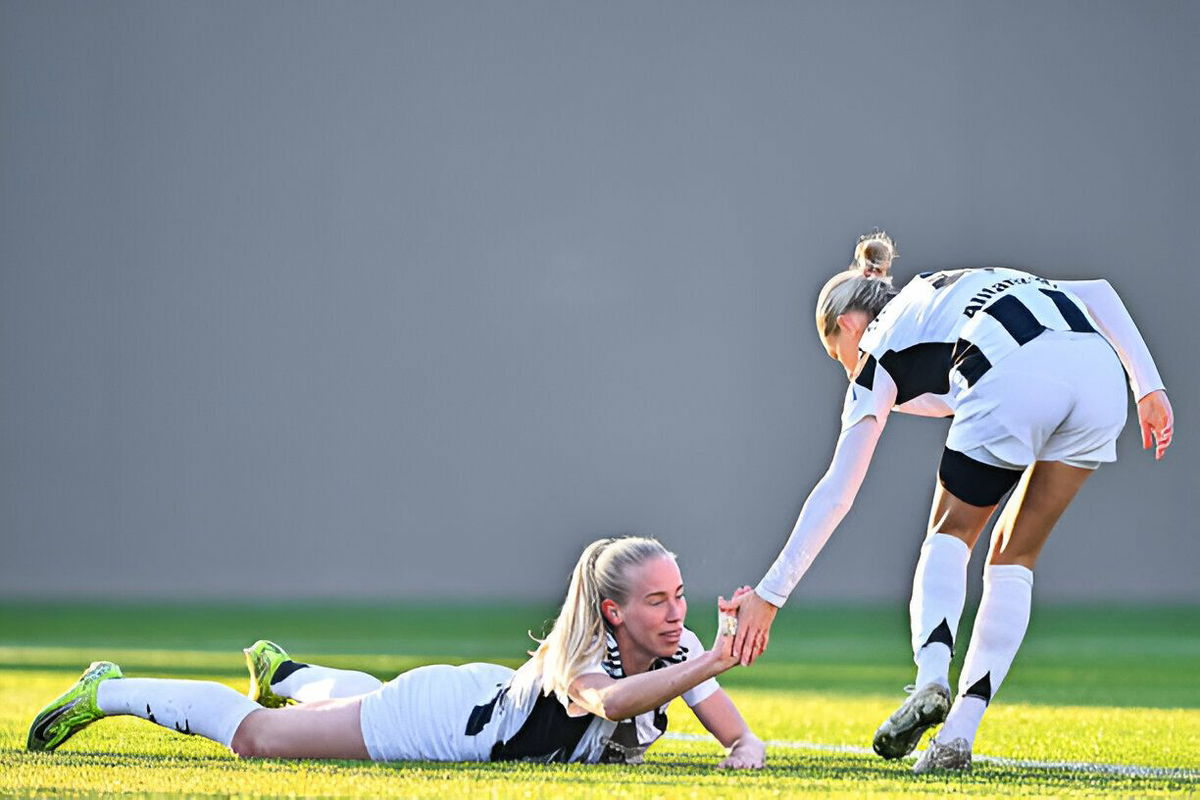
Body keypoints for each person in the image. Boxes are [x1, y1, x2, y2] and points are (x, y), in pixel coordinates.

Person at [724, 231, 1173, 773]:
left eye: (833, 352)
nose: (841, 365)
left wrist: (770, 594)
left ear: (845, 326)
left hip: (1011, 370)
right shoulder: (942, 289)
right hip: (1100, 375)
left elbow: (839, 490)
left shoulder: (874, 351)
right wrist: (1148, 386)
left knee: (949, 533)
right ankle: (959, 733)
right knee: (1014, 554)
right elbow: (1098, 293)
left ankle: (932, 677)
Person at [27, 536, 765, 768]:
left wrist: (744, 752)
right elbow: (610, 702)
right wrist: (714, 662)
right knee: (259, 740)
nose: (678, 613)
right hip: (440, 722)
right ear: (614, 612)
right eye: (658, 600)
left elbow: (737, 733)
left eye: (680, 594)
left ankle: (288, 673)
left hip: (470, 698)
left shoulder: (682, 649)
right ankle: (106, 689)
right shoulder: (589, 659)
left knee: (345, 701)